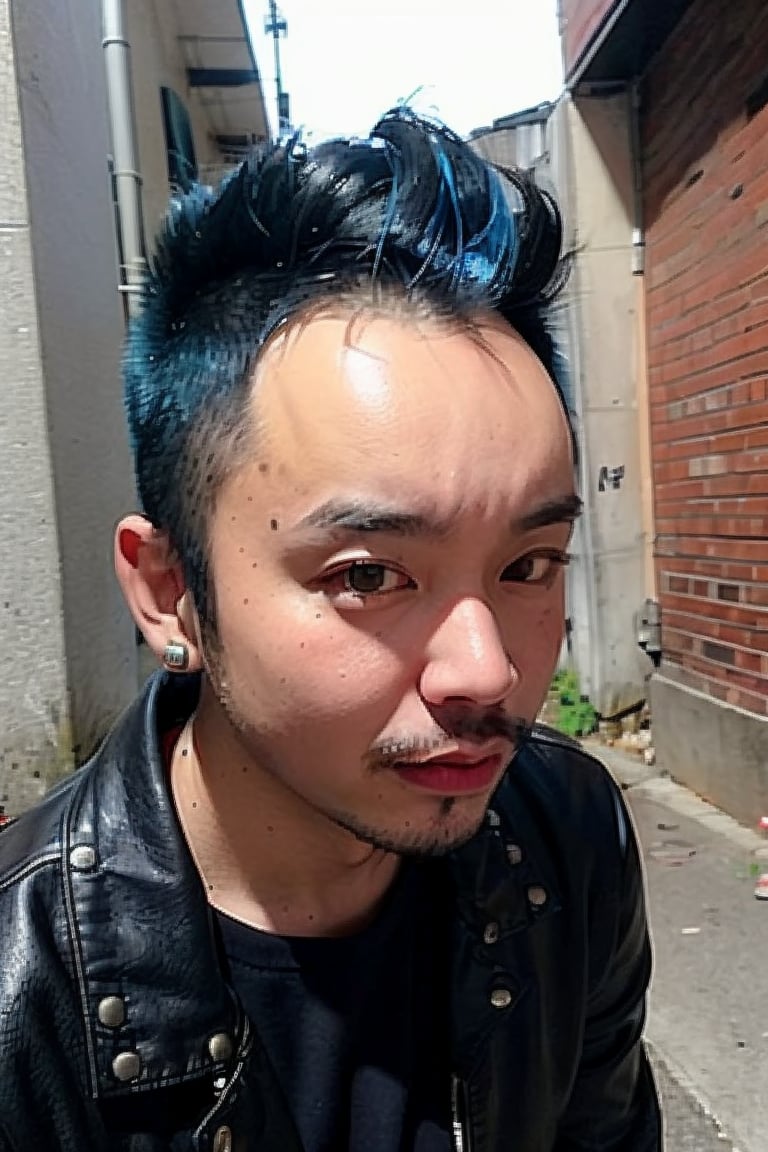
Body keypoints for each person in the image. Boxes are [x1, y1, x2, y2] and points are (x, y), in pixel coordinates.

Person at [0, 108, 661, 1151]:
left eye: (528, 565)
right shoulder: (20, 998)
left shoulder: (566, 835)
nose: (486, 671)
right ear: (172, 594)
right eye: (369, 576)